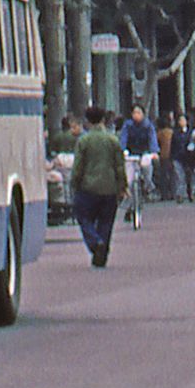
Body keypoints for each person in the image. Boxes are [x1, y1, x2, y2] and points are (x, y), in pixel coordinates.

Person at [71, 105, 127, 268]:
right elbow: (119, 166)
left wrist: (74, 183)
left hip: (87, 187)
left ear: (87, 121)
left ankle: (95, 243)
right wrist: (122, 185)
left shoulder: (84, 141)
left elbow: (78, 166)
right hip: (109, 188)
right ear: (103, 120)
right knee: (106, 221)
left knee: (84, 218)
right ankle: (102, 250)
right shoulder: (112, 140)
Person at [171, 113, 195, 203]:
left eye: (183, 120)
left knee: (191, 175)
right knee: (179, 176)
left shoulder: (191, 132)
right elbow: (172, 146)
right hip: (178, 157)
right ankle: (180, 194)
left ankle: (192, 192)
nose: (181, 122)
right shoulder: (175, 133)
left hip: (189, 158)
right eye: (180, 120)